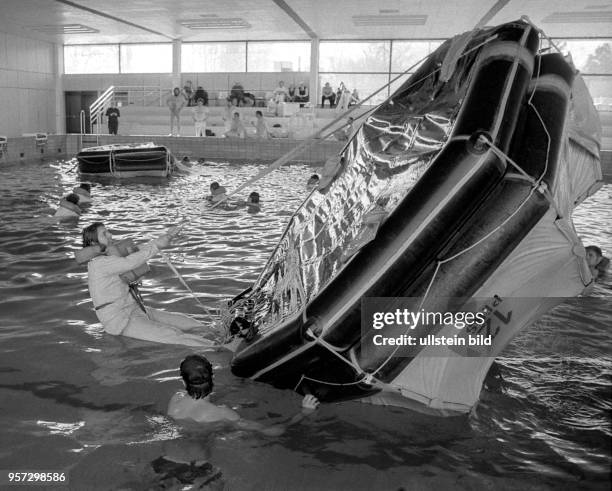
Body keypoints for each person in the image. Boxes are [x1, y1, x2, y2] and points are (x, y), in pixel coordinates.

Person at [80, 222, 214, 347]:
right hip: (120, 320)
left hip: (136, 308)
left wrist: (168, 236)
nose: (110, 235)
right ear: (93, 242)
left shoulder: (111, 255)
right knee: (172, 335)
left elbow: (139, 250)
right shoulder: (98, 264)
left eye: (108, 231)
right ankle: (218, 347)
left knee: (187, 322)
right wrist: (157, 245)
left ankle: (218, 333)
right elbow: (130, 262)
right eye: (104, 234)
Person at [168, 355, 320, 434]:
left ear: (183, 382)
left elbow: (199, 403)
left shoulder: (176, 398)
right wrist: (303, 413)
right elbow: (270, 431)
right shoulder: (221, 412)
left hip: (165, 461)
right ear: (213, 378)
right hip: (197, 468)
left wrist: (232, 388)